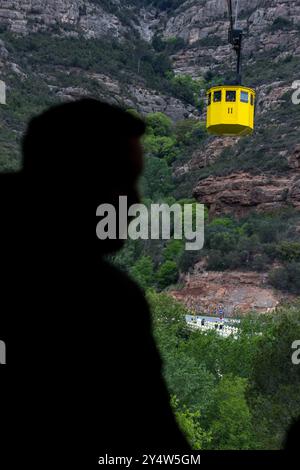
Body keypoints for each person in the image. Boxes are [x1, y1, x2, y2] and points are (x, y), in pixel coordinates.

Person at [0, 99, 189, 466]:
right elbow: (158, 442)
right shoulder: (106, 300)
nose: (135, 202)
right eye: (120, 181)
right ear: (70, 179)